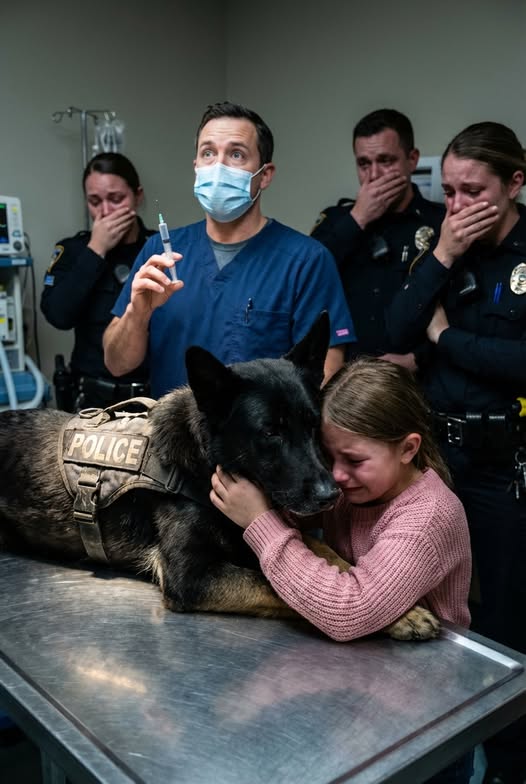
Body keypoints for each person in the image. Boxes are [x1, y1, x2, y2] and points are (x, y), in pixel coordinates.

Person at [209, 357, 473, 784]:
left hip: (424, 721)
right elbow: (294, 529)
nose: (334, 476)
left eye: (353, 460)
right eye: (328, 455)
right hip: (359, 706)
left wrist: (260, 522)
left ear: (408, 449)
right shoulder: (359, 489)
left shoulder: (427, 518)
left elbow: (350, 609)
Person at [385, 121, 526, 784]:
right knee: (432, 610)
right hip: (438, 461)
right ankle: (437, 755)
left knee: (502, 620)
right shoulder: (444, 247)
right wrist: (440, 254)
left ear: (516, 183)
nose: (460, 205)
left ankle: (505, 766)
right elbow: (395, 327)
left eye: (475, 191)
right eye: (449, 192)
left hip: (505, 469)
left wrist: (444, 341)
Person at [103, 102, 354, 397]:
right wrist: (137, 313)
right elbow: (117, 364)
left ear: (265, 174)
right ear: (196, 166)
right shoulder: (160, 251)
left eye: (236, 154)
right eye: (208, 153)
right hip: (170, 436)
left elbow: (324, 379)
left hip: (259, 441)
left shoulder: (306, 261)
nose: (218, 167)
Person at [311, 109, 444, 371]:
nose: (373, 175)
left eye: (385, 161)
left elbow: (460, 312)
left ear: (412, 159)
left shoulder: (440, 222)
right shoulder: (336, 219)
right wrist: (357, 218)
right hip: (344, 375)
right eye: (363, 164)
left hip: (416, 379)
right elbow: (306, 276)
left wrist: (417, 359)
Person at [41, 152, 154, 410]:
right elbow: (58, 316)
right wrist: (96, 250)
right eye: (94, 201)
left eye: (116, 199)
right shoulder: (74, 250)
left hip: (150, 392)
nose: (104, 212)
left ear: (138, 196)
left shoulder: (156, 248)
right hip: (91, 396)